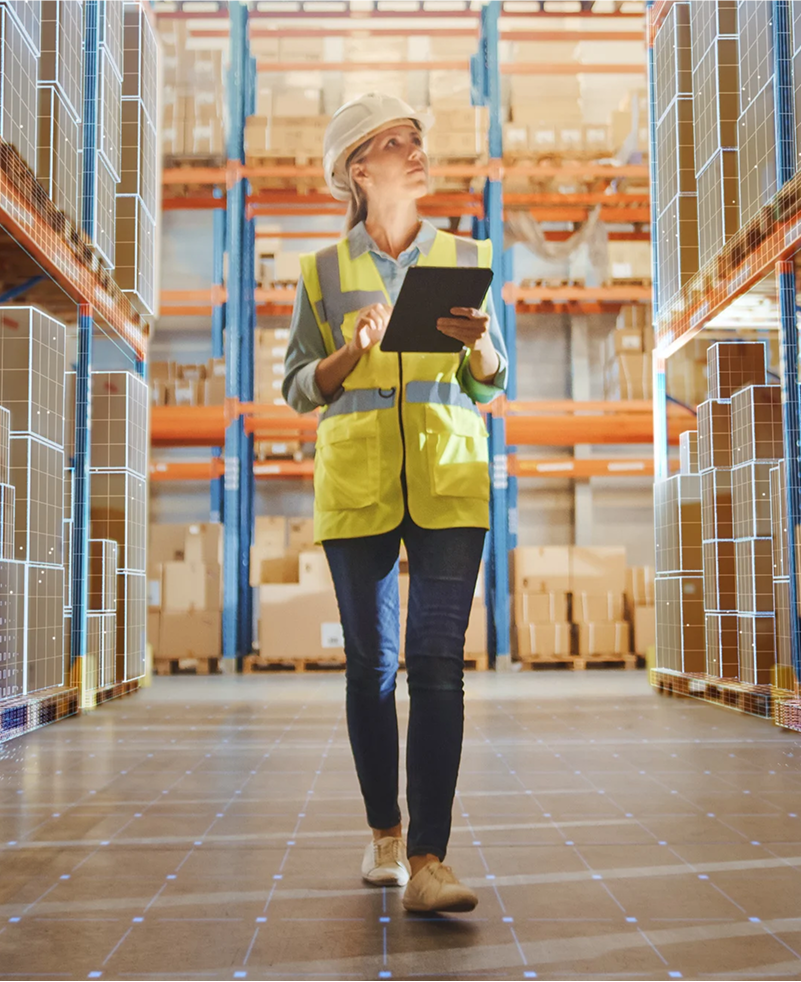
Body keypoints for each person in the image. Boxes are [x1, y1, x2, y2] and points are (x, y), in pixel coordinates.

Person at [282, 93, 508, 915]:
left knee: (438, 667)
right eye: (393, 142)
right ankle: (384, 833)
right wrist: (350, 351)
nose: (415, 152)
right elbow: (298, 386)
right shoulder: (321, 272)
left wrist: (481, 345)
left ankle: (430, 860)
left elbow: (491, 377)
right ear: (357, 169)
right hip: (359, 485)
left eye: (417, 139)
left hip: (448, 481)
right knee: (374, 669)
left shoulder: (465, 253)